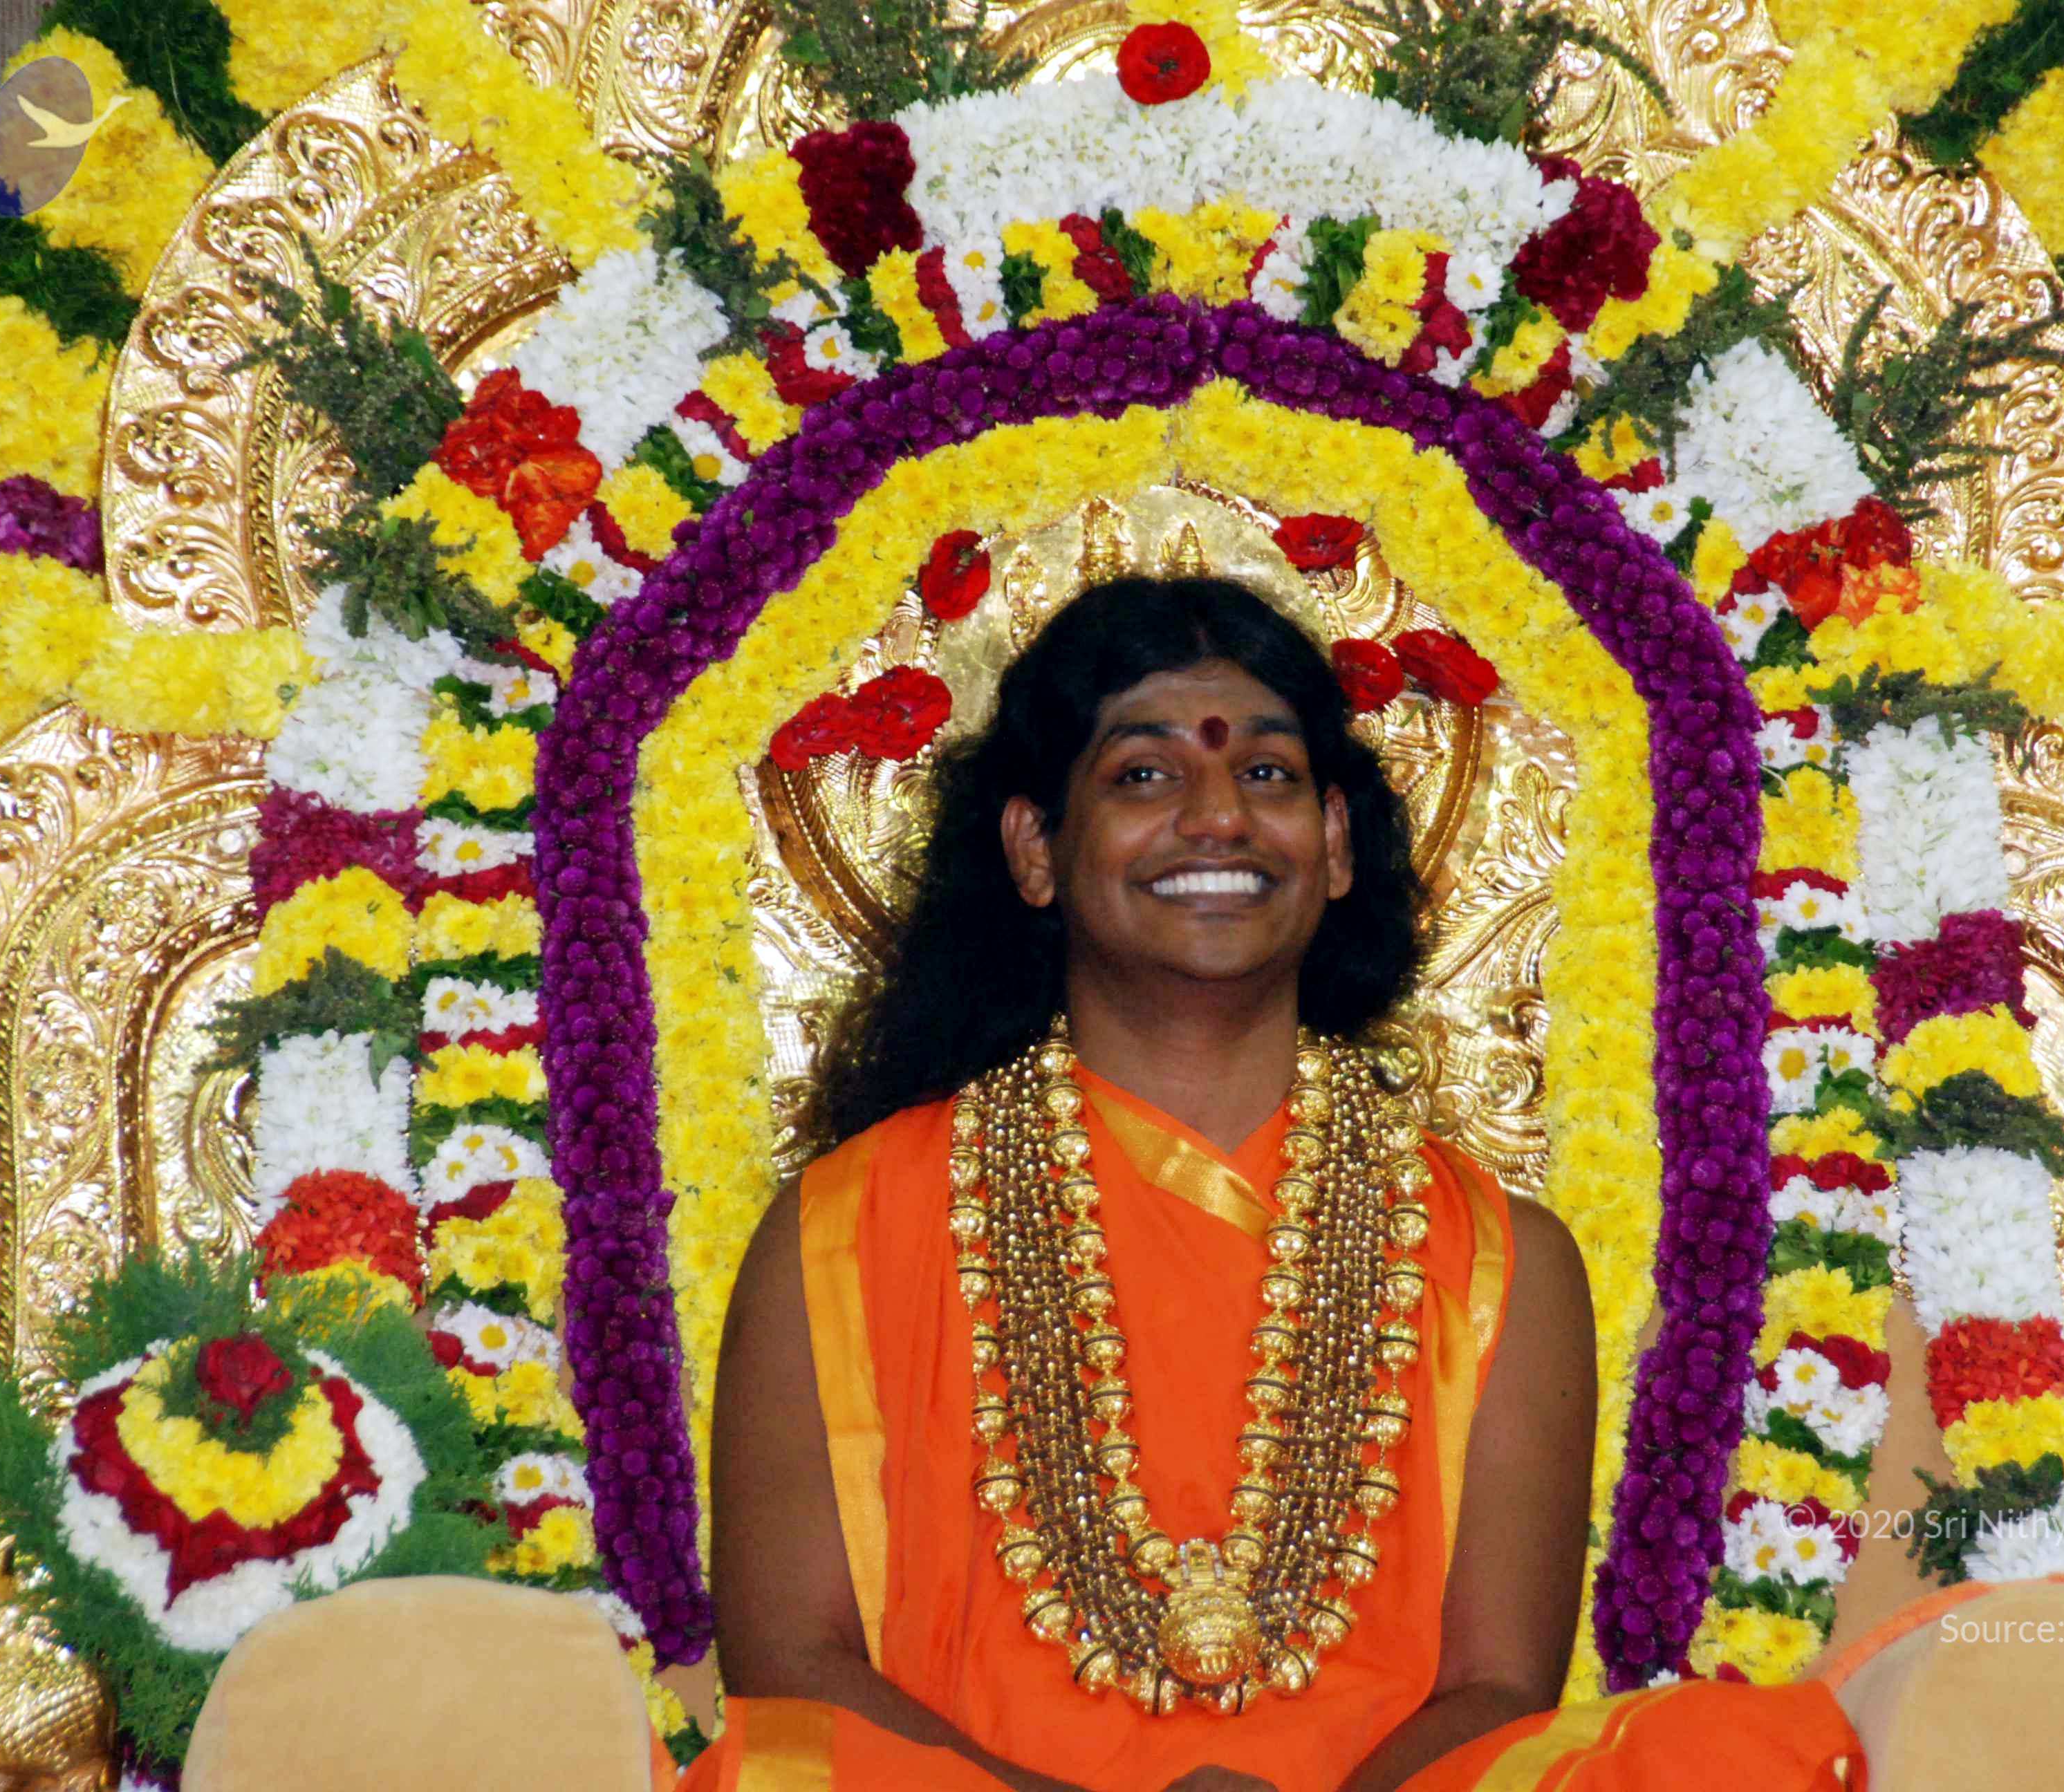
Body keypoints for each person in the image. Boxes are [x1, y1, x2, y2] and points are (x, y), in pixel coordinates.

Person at [694, 577, 1860, 1791]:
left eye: (1267, 773)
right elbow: (791, 1671)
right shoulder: (845, 1226)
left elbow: (1497, 1688)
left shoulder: (1497, 1256)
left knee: (1726, 1756)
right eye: (1144, 775)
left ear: (1336, 843)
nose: (1219, 818)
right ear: (1036, 850)